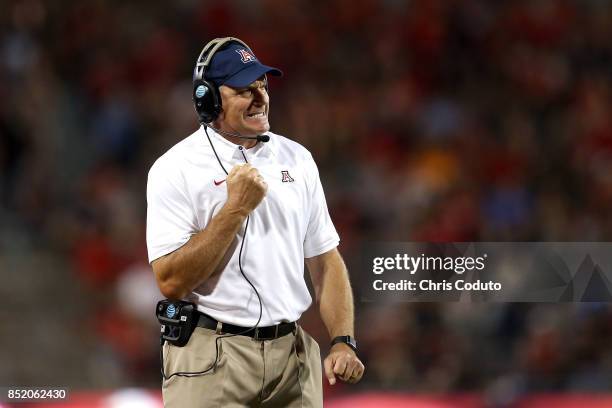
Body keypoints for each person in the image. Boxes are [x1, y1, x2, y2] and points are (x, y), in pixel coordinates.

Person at [146, 37, 364, 407]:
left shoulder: (297, 159)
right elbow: (171, 280)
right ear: (208, 100)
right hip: (210, 357)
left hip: (292, 358)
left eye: (262, 86)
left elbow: (325, 261)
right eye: (244, 89)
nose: (260, 97)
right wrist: (234, 210)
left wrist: (343, 340)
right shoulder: (175, 168)